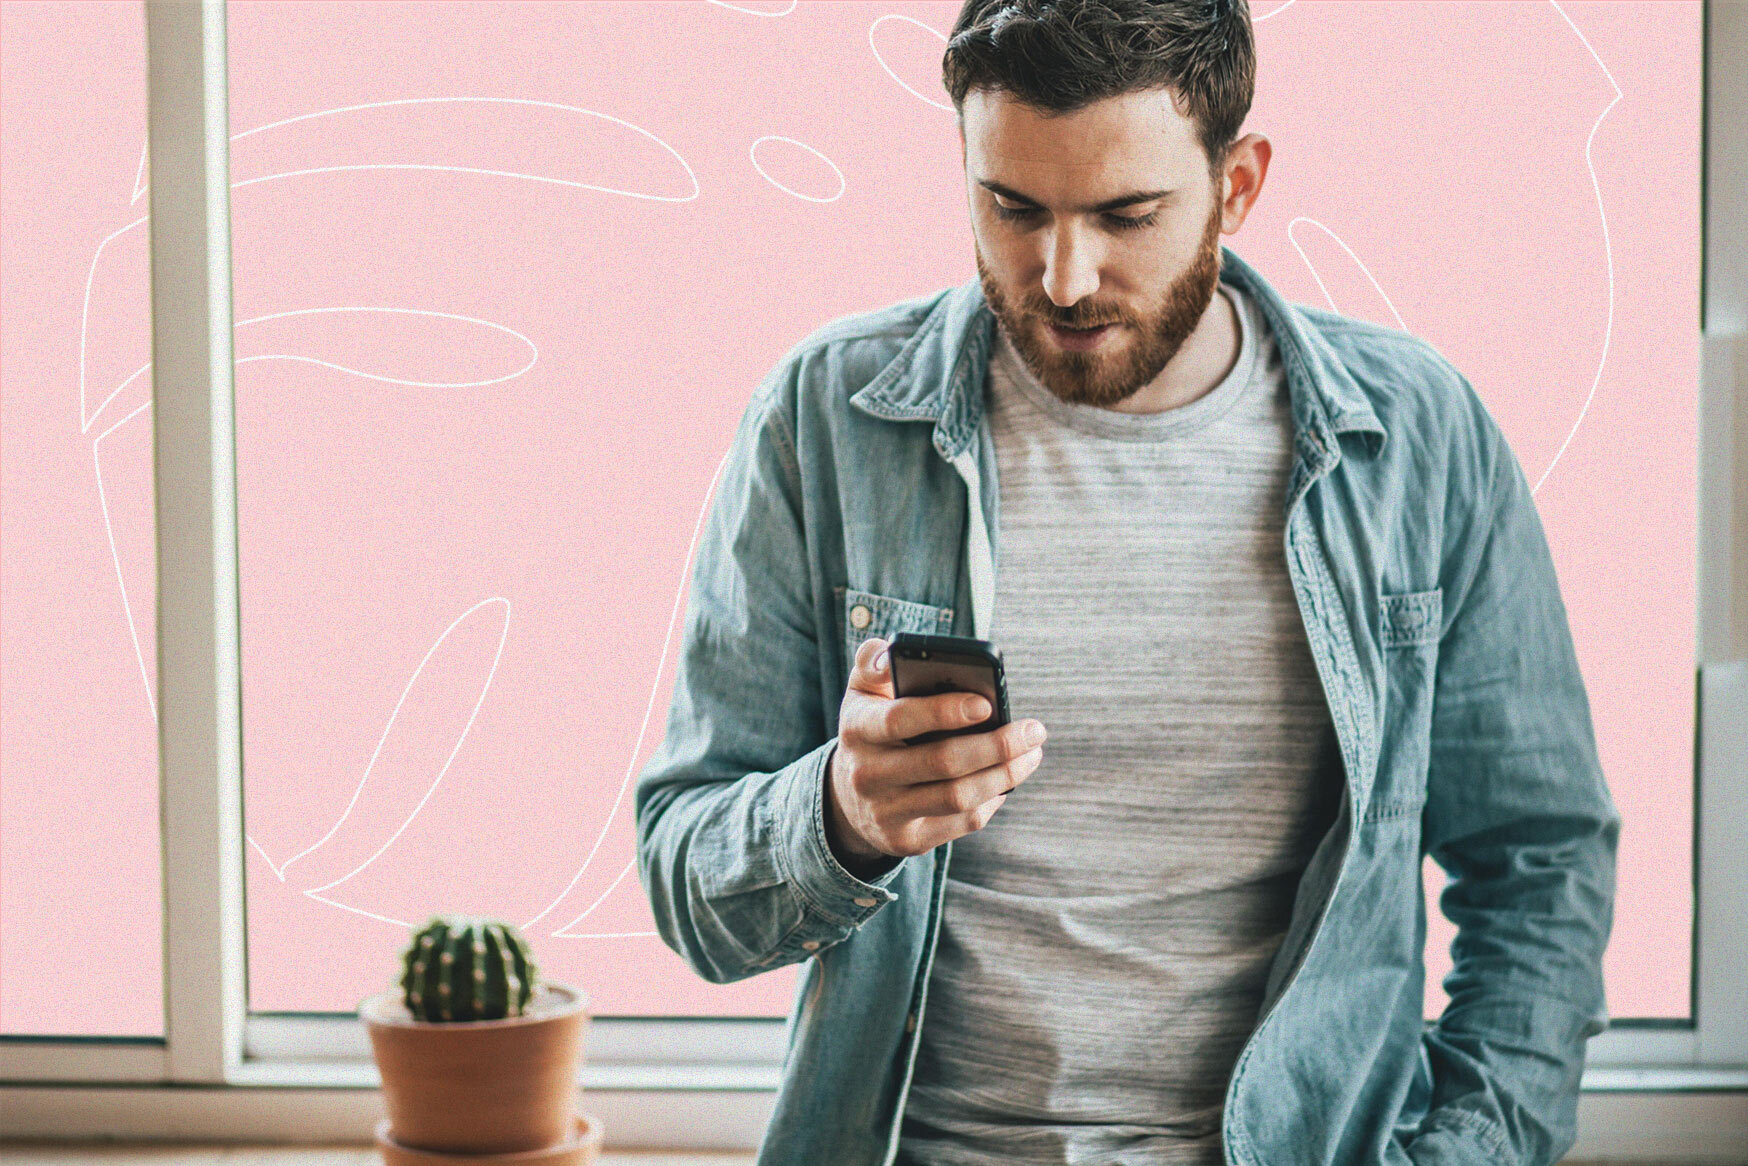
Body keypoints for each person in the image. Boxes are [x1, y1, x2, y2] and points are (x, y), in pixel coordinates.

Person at [633, 1, 1621, 1163]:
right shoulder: (823, 421)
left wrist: (1467, 1150)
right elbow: (686, 878)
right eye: (1012, 208)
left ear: (1236, 185)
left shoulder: (1416, 437)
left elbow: (1539, 856)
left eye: (1124, 215)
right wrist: (843, 817)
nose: (1062, 276)